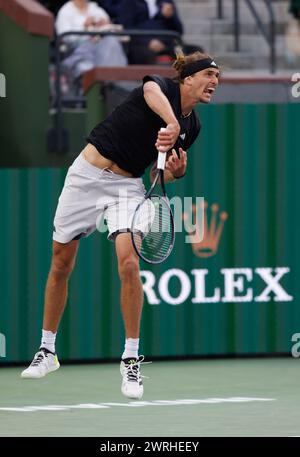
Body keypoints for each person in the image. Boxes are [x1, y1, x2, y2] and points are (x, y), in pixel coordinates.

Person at [21, 51, 220, 399]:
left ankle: (130, 359)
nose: (214, 82)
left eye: (217, 78)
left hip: (128, 187)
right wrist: (170, 122)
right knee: (60, 263)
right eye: (208, 75)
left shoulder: (194, 127)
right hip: (85, 175)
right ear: (187, 78)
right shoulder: (159, 88)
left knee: (129, 262)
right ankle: (47, 350)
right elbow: (149, 92)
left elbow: (160, 175)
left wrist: (175, 174)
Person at [56, 0, 127, 82]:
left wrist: (104, 24)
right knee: (85, 66)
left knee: (111, 41)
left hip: (102, 48)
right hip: (79, 52)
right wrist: (84, 27)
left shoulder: (95, 8)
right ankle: (108, 83)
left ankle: (114, 82)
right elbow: (65, 37)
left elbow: (110, 28)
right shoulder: (65, 11)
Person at [117, 0, 184, 64]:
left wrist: (170, 17)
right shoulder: (130, 2)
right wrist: (148, 42)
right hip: (139, 44)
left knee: (186, 54)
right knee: (145, 55)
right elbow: (127, 28)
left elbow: (179, 30)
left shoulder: (167, 2)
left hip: (166, 44)